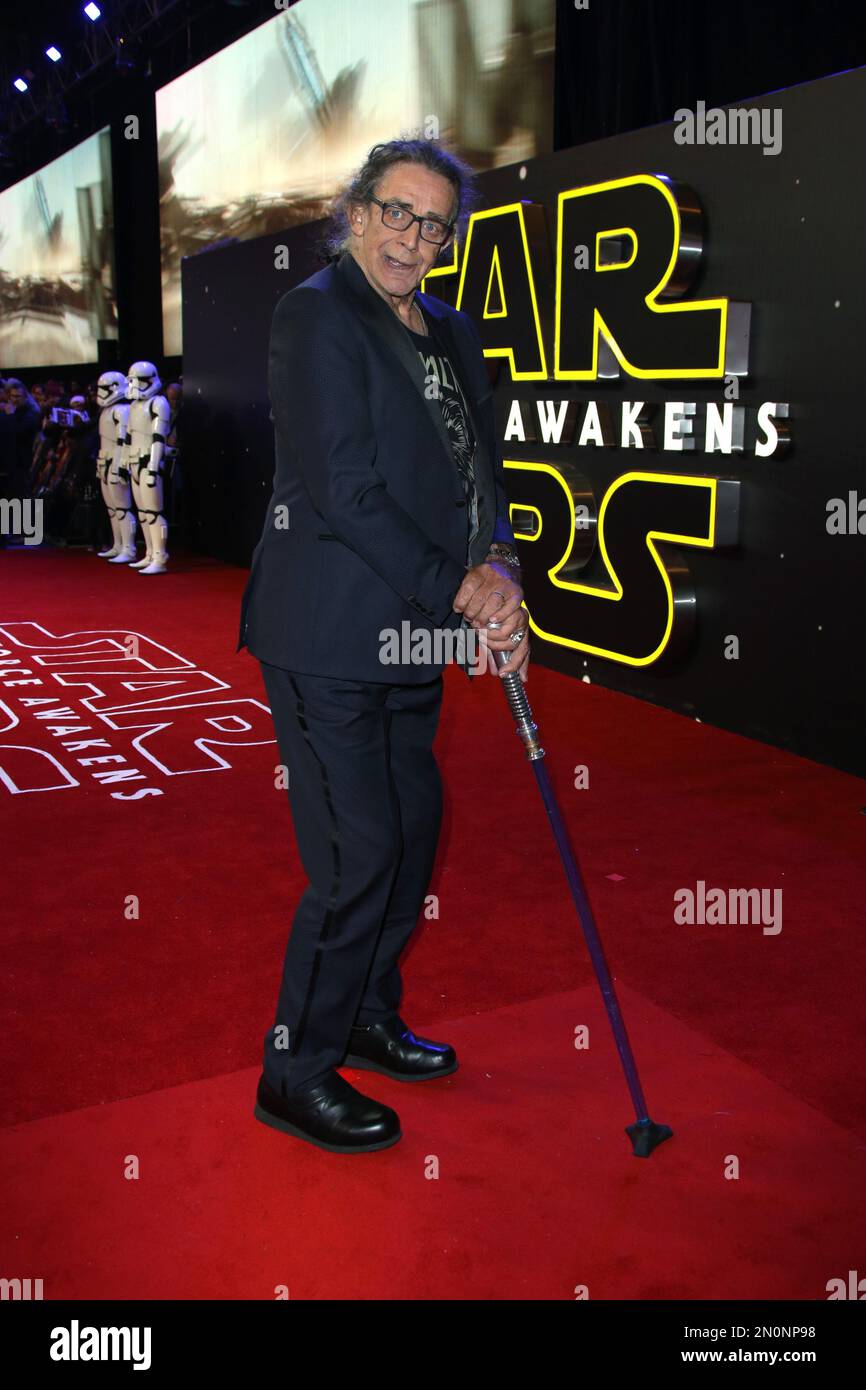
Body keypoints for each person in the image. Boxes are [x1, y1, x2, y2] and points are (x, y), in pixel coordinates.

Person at [237, 138, 529, 1155]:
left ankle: (364, 1013)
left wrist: (499, 568)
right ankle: (295, 1068)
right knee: (357, 854)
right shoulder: (314, 314)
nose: (412, 237)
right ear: (354, 211)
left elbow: (474, 464)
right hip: (323, 628)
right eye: (395, 213)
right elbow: (344, 487)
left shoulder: (449, 329)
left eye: (433, 224)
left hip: (412, 631)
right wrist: (459, 587)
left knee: (410, 832)